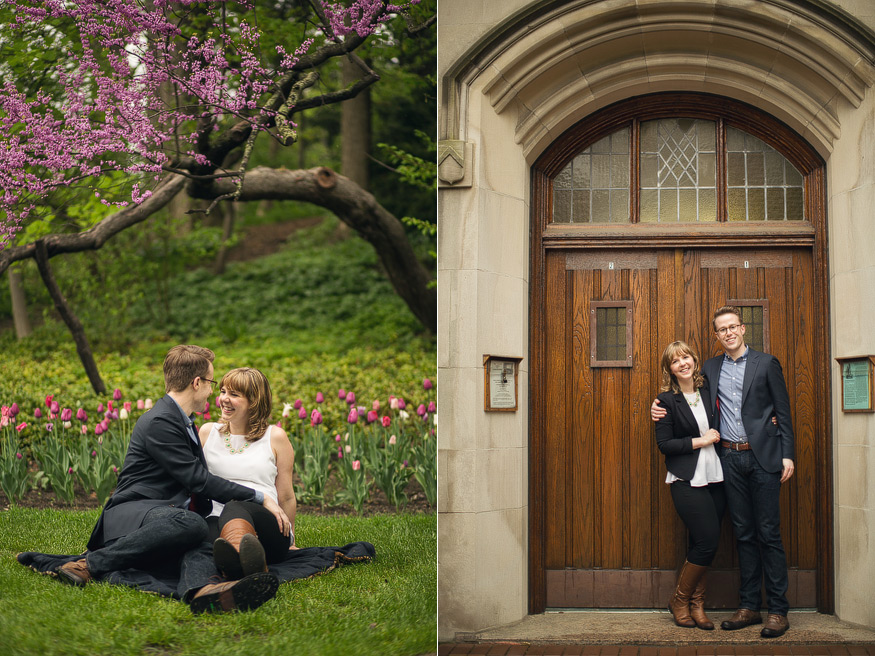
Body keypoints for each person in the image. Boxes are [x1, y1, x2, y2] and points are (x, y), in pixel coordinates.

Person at [56, 345, 292, 615]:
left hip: (163, 514)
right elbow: (198, 480)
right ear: (197, 382)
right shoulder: (161, 421)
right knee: (191, 523)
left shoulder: (183, 421)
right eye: (213, 384)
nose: (213, 392)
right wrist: (260, 497)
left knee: (201, 534)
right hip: (134, 511)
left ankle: (202, 590)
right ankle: (88, 564)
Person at [652, 306, 795, 638]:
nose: (728, 333)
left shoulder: (767, 363)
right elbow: (683, 398)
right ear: (716, 336)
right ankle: (748, 607)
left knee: (769, 534)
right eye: (722, 329)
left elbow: (783, 413)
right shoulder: (711, 369)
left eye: (733, 327)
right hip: (728, 460)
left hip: (764, 459)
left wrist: (787, 456)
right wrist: (656, 406)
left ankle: (777, 610)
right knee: (742, 533)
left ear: (743, 329)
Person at [198, 367, 298, 580]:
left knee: (236, 503)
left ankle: (241, 559)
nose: (224, 399)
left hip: (267, 524)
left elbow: (287, 495)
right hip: (217, 519)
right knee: (204, 530)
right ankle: (242, 564)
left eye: (234, 395)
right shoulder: (208, 433)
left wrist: (292, 541)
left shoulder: (275, 437)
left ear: (254, 401)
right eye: (223, 391)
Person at [655, 341, 725, 630]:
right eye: (675, 361)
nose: (682, 363)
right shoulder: (665, 401)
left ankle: (698, 605)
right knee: (708, 540)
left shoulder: (709, 389)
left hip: (718, 476)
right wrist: (701, 440)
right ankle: (680, 601)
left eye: (686, 357)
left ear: (695, 361)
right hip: (686, 478)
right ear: (669, 369)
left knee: (701, 542)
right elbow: (665, 444)